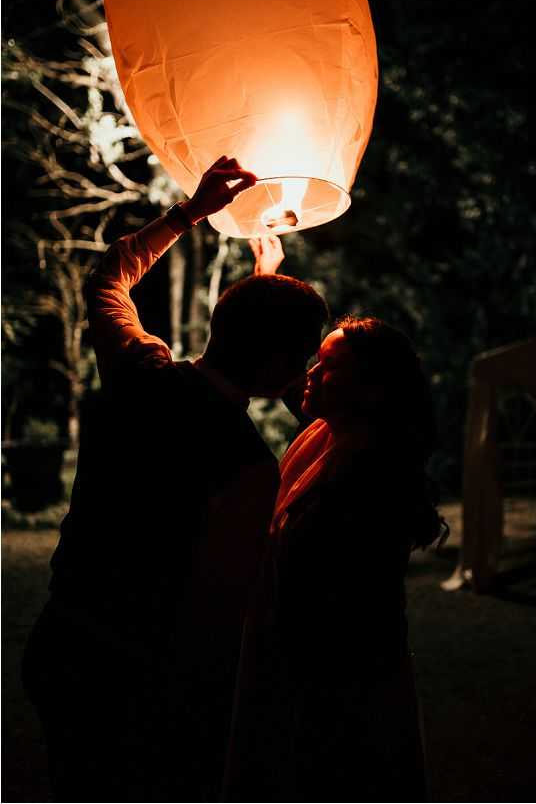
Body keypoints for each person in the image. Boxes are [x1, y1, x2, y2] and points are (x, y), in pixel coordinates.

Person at [22, 156, 328, 803]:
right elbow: (214, 618)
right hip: (140, 681)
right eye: (299, 357)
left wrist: (192, 211)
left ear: (221, 324)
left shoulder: (141, 369)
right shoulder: (248, 466)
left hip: (62, 641)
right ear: (278, 364)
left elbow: (108, 278)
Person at [225, 315, 448, 802]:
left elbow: (327, 613)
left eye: (327, 366)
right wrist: (268, 269)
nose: (309, 372)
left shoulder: (365, 482)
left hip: (341, 689)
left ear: (371, 390)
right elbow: (285, 379)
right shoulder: (335, 435)